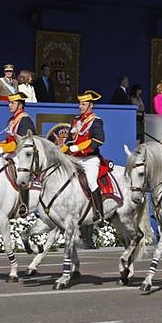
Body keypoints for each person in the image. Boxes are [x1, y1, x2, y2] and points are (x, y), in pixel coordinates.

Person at [61, 90, 105, 225]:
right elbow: (69, 141)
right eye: (80, 104)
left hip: (89, 159)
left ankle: (99, 213)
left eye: (83, 104)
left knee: (92, 182)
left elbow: (99, 140)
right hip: (75, 158)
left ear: (91, 105)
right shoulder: (76, 120)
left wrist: (79, 147)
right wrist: (60, 151)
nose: (80, 106)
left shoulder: (96, 121)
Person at [0, 92, 36, 216]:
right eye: (9, 102)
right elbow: (9, 140)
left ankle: (23, 204)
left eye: (12, 103)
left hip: (22, 154)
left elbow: (20, 143)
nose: (9, 105)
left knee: (21, 174)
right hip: (11, 152)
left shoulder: (25, 119)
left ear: (20, 105)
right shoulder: (12, 120)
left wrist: (3, 149)